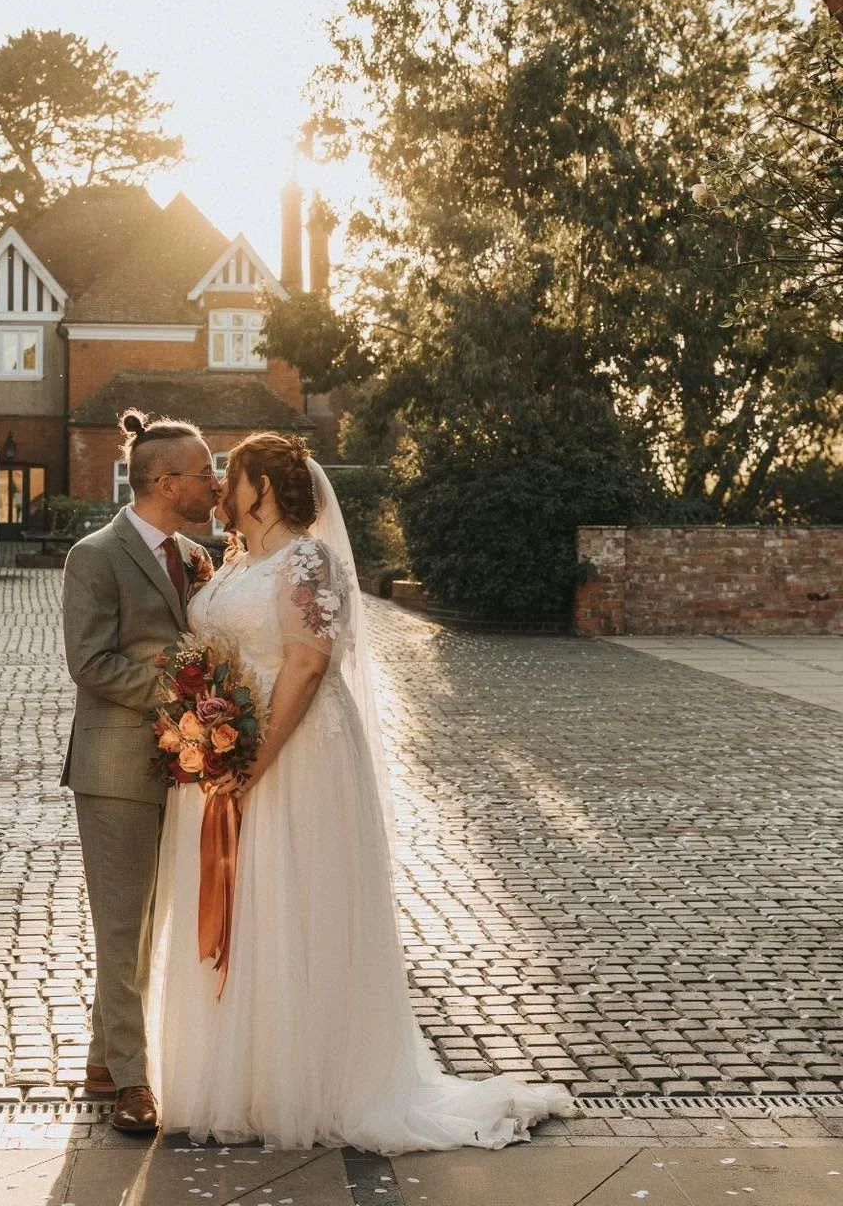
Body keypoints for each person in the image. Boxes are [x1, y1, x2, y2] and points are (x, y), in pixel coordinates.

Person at [150, 431, 576, 1151]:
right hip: (227, 755)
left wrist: (255, 761)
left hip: (296, 753)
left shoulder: (308, 559)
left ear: (264, 487)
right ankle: (242, 1076)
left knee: (294, 902)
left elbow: (309, 666)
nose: (221, 484)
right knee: (245, 907)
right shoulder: (232, 563)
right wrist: (205, 730)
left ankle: (310, 1079)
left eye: (234, 473)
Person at [60, 407, 219, 1134]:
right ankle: (131, 1083)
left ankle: (102, 1055)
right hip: (117, 764)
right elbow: (90, 664)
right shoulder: (94, 555)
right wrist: (180, 692)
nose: (215, 482)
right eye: (205, 471)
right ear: (164, 481)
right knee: (123, 925)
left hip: (184, 767)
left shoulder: (195, 557)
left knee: (157, 921)